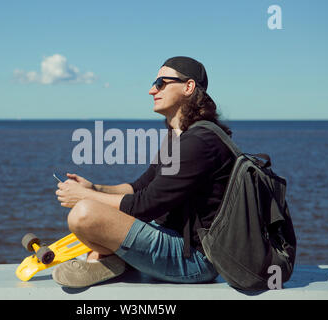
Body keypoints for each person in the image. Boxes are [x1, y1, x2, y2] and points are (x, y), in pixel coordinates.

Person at [53, 56, 235, 288]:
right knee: (93, 209)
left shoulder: (199, 142)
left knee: (84, 214)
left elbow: (145, 205)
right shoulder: (179, 137)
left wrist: (84, 197)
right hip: (174, 237)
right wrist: (94, 188)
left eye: (161, 83)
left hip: (197, 260)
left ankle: (110, 259)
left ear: (188, 87)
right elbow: (140, 186)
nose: (152, 90)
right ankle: (115, 259)